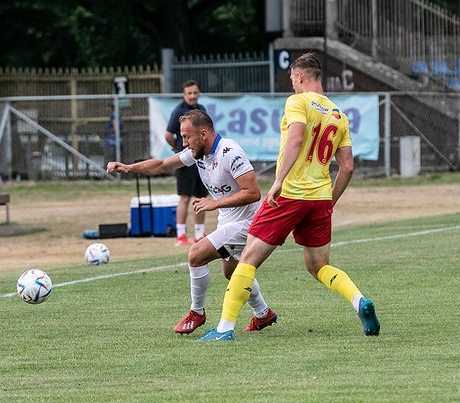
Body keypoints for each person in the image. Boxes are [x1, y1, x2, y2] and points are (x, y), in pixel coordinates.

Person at [197, 52, 380, 342]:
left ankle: (224, 329)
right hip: (319, 198)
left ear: (300, 76)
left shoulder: (298, 102)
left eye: (292, 79)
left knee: (247, 259)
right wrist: (329, 201)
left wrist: (279, 181)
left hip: (291, 194)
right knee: (318, 265)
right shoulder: (338, 115)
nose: (291, 84)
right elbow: (347, 167)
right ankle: (360, 301)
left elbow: (295, 139)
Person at [107, 109, 278, 334]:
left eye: (187, 137)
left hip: (249, 222)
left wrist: (214, 204)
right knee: (232, 273)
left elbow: (254, 193)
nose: (184, 142)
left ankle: (196, 312)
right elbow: (161, 165)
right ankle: (263, 314)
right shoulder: (198, 153)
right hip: (228, 221)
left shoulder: (230, 153)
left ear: (204, 134)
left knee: (196, 255)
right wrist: (130, 168)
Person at [165, 80, 208, 246]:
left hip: (200, 159)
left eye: (195, 93)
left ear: (199, 93)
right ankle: (181, 235)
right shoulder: (179, 112)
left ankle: (199, 233)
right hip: (185, 160)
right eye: (189, 93)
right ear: (184, 95)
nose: (192, 96)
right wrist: (177, 150)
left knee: (200, 196)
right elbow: (168, 135)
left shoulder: (201, 110)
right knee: (184, 197)